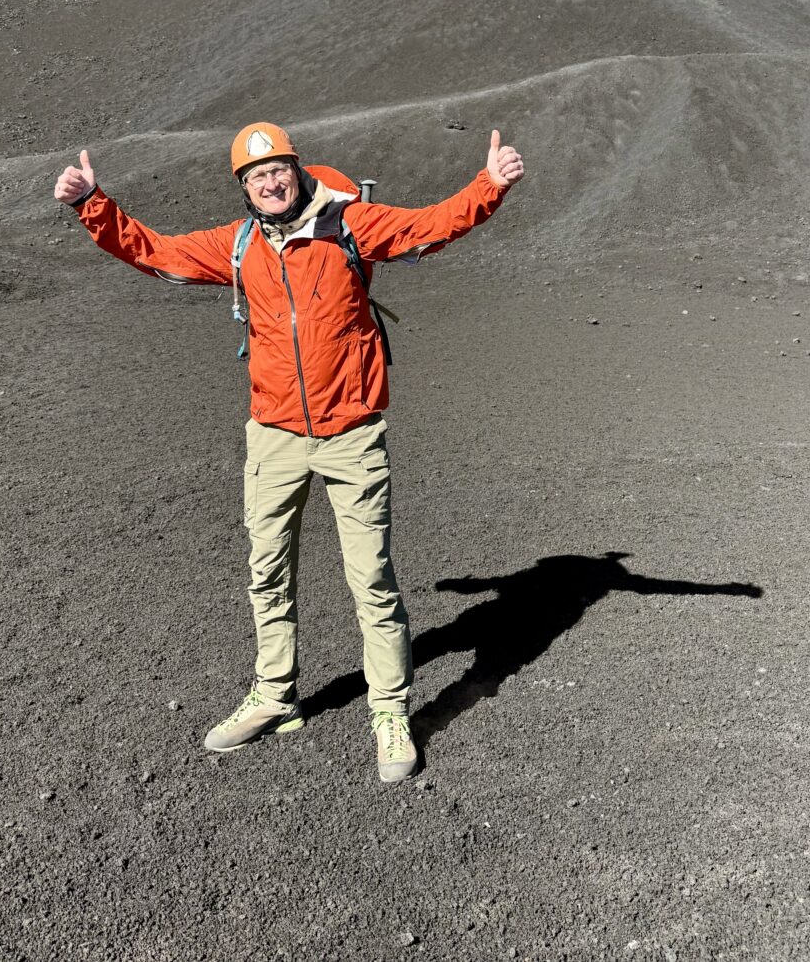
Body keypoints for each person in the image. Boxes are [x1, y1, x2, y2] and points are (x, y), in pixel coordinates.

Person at [52, 122, 525, 782]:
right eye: (254, 176)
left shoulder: (351, 224)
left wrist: (490, 186)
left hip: (351, 433)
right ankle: (276, 695)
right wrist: (91, 205)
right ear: (243, 188)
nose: (269, 182)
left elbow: (430, 225)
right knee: (266, 571)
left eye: (276, 169)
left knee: (372, 582)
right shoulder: (240, 244)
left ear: (296, 168)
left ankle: (390, 711)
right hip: (273, 435)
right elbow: (157, 251)